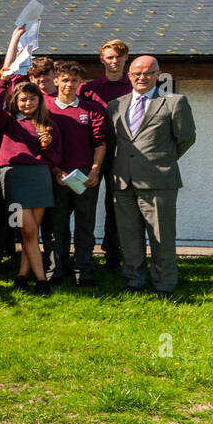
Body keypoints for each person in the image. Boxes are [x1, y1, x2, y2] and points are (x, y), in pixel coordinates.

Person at [107, 55, 196, 297]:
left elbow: (186, 138)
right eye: (137, 73)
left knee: (161, 237)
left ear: (158, 74)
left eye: (148, 73)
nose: (142, 77)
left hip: (159, 181)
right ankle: (134, 281)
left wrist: (162, 160)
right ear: (129, 76)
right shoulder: (115, 105)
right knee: (129, 237)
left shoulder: (174, 102)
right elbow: (113, 142)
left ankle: (164, 284)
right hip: (123, 182)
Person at [0, 73, 62, 294]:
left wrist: (47, 146)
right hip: (13, 177)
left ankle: (21, 276)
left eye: (31, 99)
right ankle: (41, 281)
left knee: (31, 232)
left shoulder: (48, 124)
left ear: (39, 100)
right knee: (27, 229)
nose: (27, 103)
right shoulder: (8, 121)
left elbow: (56, 158)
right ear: (15, 101)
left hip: (40, 177)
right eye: (22, 99)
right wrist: (3, 81)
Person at [47, 61, 107, 288]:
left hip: (84, 175)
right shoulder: (46, 109)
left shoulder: (92, 109)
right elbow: (41, 146)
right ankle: (56, 270)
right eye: (64, 80)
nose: (69, 85)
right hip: (57, 175)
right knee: (56, 226)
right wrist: (55, 170)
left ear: (80, 83)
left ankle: (84, 271)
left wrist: (94, 170)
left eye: (74, 81)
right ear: (56, 81)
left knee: (84, 226)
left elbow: (100, 143)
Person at [80, 39, 132, 276]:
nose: (114, 61)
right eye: (109, 57)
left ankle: (113, 252)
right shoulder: (87, 88)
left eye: (118, 58)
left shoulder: (133, 86)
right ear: (102, 59)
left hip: (121, 153)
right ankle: (83, 254)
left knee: (116, 204)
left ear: (125, 59)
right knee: (84, 204)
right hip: (90, 152)